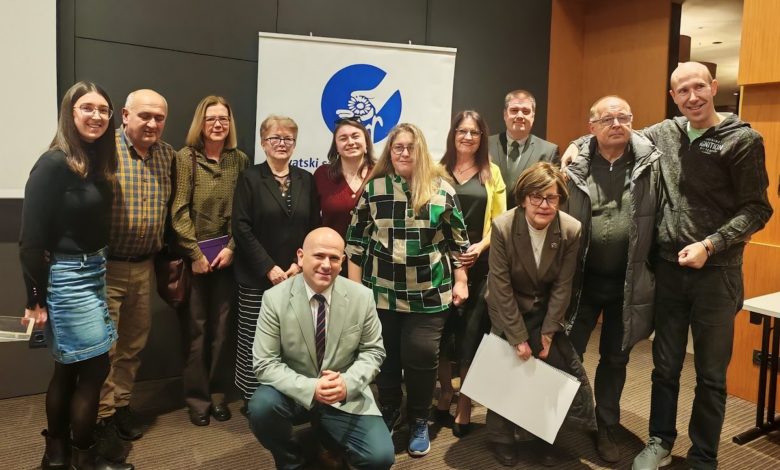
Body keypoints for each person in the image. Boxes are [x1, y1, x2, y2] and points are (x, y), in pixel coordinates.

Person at [560, 62, 773, 470]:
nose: (693, 97)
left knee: (710, 375)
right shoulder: (665, 133)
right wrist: (575, 143)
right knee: (665, 368)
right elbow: (614, 128)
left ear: (713, 87)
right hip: (669, 272)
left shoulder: (743, 140)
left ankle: (703, 457)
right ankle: (660, 441)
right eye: (683, 91)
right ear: (673, 97)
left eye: (699, 87)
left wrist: (711, 245)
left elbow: (758, 209)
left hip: (717, 273)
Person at [20, 81, 133, 470]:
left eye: (103, 110)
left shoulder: (96, 161)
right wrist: (35, 300)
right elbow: (30, 242)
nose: (97, 116)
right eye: (88, 108)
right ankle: (83, 458)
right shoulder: (53, 164)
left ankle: (57, 457)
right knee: (94, 369)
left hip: (94, 272)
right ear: (70, 113)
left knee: (68, 369)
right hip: (68, 279)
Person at [346, 123, 470, 457]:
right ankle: (389, 409)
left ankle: (418, 419)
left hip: (428, 294)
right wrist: (356, 291)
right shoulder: (375, 189)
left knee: (421, 358)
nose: (404, 153)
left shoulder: (442, 190)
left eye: (410, 147)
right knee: (384, 356)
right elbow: (355, 242)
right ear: (389, 152)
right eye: (397, 147)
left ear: (421, 151)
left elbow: (458, 243)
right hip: (381, 293)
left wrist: (461, 280)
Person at [564, 96, 661, 463]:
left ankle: (606, 424)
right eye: (608, 119)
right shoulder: (573, 165)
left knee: (616, 359)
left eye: (624, 117)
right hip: (581, 282)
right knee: (566, 352)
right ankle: (559, 422)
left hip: (627, 283)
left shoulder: (651, 164)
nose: (617, 124)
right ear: (592, 127)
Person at [248, 227, 394, 470]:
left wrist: (347, 383)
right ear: (301, 256)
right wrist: (311, 388)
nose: (326, 265)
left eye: (334, 258)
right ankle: (292, 461)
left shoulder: (362, 297)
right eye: (319, 256)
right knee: (261, 407)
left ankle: (327, 437)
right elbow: (264, 363)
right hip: (294, 390)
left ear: (342, 261)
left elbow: (374, 351)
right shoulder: (274, 298)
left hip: (343, 392)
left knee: (380, 458)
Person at [485, 162, 595, 467]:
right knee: (507, 367)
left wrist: (547, 333)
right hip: (507, 307)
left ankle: (543, 438)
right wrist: (517, 337)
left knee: (550, 370)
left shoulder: (570, 229)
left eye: (551, 197)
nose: (544, 205)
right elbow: (500, 286)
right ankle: (502, 438)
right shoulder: (503, 227)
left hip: (546, 308)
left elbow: (563, 285)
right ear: (523, 198)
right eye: (536, 197)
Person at [97, 89, 175, 454]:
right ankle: (101, 418)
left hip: (144, 267)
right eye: (145, 115)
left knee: (132, 345)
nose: (152, 123)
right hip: (105, 268)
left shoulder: (167, 156)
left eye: (159, 118)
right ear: (125, 115)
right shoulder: (104, 150)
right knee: (105, 349)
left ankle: (120, 405)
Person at [232, 115, 321, 410]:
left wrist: (298, 264)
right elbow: (241, 227)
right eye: (275, 138)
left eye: (288, 139)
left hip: (296, 275)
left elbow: (313, 225)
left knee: (290, 338)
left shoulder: (306, 179)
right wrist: (268, 267)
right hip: (257, 275)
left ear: (294, 144)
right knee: (253, 337)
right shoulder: (249, 178)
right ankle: (251, 396)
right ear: (263, 143)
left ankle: (286, 397)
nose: (281, 143)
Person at [171, 96, 250, 426]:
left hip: (227, 259)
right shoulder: (185, 158)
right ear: (200, 124)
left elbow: (244, 210)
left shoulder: (239, 160)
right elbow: (178, 210)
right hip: (197, 261)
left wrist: (231, 248)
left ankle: (218, 395)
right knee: (197, 332)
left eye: (224, 119)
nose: (218, 124)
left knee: (222, 331)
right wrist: (195, 253)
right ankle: (197, 399)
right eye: (211, 119)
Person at [435, 110, 506, 437]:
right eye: (462, 131)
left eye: (474, 132)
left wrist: (480, 247)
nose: (467, 137)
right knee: (440, 337)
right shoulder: (437, 170)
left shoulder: (492, 172)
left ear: (482, 138)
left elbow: (499, 220)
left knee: (470, 338)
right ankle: (444, 393)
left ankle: (464, 405)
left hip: (479, 264)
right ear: (453, 134)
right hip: (438, 265)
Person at [487, 89, 559, 209]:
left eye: (526, 111)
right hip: (491, 217)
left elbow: (552, 194)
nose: (520, 116)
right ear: (505, 114)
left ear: (533, 116)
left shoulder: (549, 151)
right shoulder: (486, 145)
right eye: (514, 110)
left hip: (528, 218)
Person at [314, 118, 375, 240]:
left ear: (367, 143)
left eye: (355, 136)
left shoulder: (380, 174)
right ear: (336, 147)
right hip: (331, 250)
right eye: (343, 138)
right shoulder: (322, 174)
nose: (350, 142)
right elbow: (312, 219)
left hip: (371, 251)